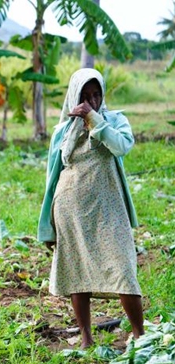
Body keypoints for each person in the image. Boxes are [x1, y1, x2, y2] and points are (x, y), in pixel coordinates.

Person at [38, 68, 144, 348]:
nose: (91, 101)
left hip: (108, 208)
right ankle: (86, 338)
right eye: (85, 96)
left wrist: (94, 119)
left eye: (96, 94)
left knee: (123, 266)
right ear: (74, 96)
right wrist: (48, 227)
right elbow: (52, 178)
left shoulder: (114, 121)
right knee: (77, 271)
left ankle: (140, 335)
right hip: (70, 207)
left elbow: (121, 147)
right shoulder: (63, 130)